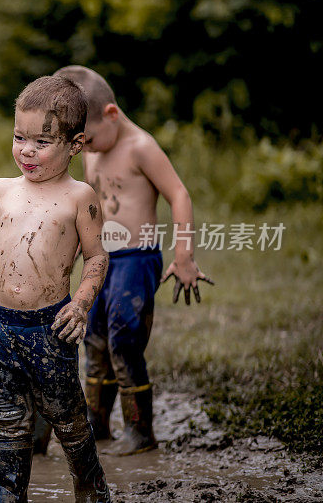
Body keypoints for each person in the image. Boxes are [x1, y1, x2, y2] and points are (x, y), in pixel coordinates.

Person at [0, 75, 112, 502]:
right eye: (19, 137)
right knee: (7, 419)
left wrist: (82, 304)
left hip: (49, 328)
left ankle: (90, 487)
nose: (27, 151)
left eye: (42, 142)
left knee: (67, 416)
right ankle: (8, 495)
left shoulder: (79, 196)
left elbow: (97, 258)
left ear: (75, 144)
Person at [56, 65, 213, 456]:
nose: (85, 148)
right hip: (101, 259)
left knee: (124, 338)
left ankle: (141, 430)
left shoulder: (140, 147)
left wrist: (184, 255)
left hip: (136, 258)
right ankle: (97, 424)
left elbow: (179, 194)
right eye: (79, 142)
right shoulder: (94, 149)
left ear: (110, 114)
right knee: (92, 338)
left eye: (88, 139)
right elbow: (93, 205)